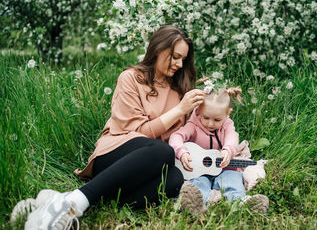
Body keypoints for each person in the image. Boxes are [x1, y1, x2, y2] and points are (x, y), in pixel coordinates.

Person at [12, 25, 206, 229]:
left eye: (183, 59)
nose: (179, 63)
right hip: (116, 153)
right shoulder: (131, 78)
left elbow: (187, 136)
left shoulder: (179, 91)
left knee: (174, 179)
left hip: (148, 165)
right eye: (175, 56)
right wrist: (178, 110)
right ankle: (74, 202)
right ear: (158, 49)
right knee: (162, 151)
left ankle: (62, 203)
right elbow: (137, 132)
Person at [169, 80, 269, 214]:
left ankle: (243, 203)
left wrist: (228, 150)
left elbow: (232, 137)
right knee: (199, 184)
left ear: (228, 113)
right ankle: (193, 204)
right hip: (199, 171)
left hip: (224, 169)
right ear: (198, 111)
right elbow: (176, 136)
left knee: (232, 180)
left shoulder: (227, 125)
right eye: (206, 118)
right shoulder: (193, 126)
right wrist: (182, 152)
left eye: (217, 120)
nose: (210, 124)